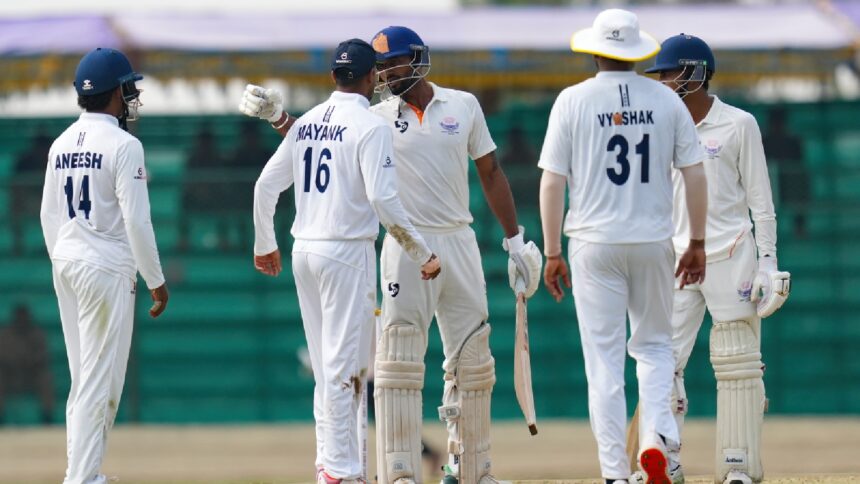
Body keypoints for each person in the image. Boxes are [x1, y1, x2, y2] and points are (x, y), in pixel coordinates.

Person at [241, 26, 543, 484]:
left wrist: (514, 239)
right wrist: (281, 118)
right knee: (398, 361)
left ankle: (472, 470)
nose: (386, 72)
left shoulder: (462, 106)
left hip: (458, 239)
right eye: (380, 66)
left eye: (395, 62)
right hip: (404, 248)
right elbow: (319, 137)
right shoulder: (374, 115)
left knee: (473, 360)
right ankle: (400, 472)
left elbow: (491, 171)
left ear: (418, 60)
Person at [252, 38, 442, 484]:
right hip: (346, 253)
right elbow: (382, 199)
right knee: (346, 368)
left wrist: (265, 243)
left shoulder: (309, 122)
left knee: (328, 369)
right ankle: (341, 472)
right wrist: (422, 252)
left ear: (335, 76)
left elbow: (265, 185)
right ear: (371, 76)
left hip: (304, 251)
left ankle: (335, 466)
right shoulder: (370, 126)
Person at [538, 9, 708, 484]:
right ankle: (654, 442)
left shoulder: (571, 100)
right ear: (636, 52)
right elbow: (694, 172)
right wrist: (696, 239)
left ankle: (615, 472)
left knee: (604, 362)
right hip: (653, 240)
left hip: (593, 243)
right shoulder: (666, 99)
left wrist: (552, 252)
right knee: (654, 349)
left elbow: (553, 182)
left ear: (594, 50)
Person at [643, 34, 791, 484]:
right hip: (676, 257)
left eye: (669, 73)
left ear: (694, 72)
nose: (663, 82)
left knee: (738, 362)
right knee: (664, 360)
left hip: (732, 255)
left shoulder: (738, 123)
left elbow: (760, 200)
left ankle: (738, 467)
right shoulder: (659, 127)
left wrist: (767, 261)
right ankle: (664, 460)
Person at [40, 47, 169, 484]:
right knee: (100, 383)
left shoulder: (61, 143)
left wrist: (64, 258)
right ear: (115, 93)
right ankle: (82, 479)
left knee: (84, 380)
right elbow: (136, 219)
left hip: (67, 262)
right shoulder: (124, 144)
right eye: (129, 87)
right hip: (104, 266)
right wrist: (156, 280)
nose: (132, 95)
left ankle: (83, 474)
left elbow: (48, 215)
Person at [0, 305, 54, 424]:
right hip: (11, 376)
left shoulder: (37, 334)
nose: (22, 320)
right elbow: (2, 357)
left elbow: (43, 356)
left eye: (24, 317)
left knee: (45, 378)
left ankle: (47, 416)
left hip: (30, 376)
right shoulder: (5, 334)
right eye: (19, 317)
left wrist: (29, 360)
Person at [762, 106, 808, 238]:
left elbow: (799, 165)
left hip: (790, 183)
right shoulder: (764, 141)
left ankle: (799, 227)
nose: (777, 126)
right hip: (769, 183)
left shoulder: (793, 141)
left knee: (798, 179)